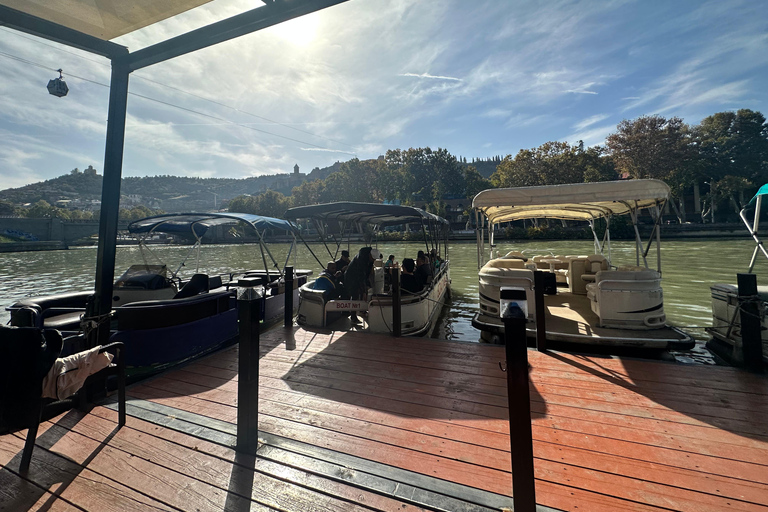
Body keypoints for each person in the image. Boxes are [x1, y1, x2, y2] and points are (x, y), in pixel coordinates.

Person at [344, 247, 381, 323]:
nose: (373, 260)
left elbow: (366, 274)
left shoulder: (369, 259)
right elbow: (361, 277)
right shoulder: (360, 260)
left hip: (360, 277)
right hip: (351, 277)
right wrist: (364, 291)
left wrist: (367, 286)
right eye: (373, 259)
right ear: (370, 255)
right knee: (355, 295)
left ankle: (362, 310)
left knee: (364, 291)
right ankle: (353, 316)